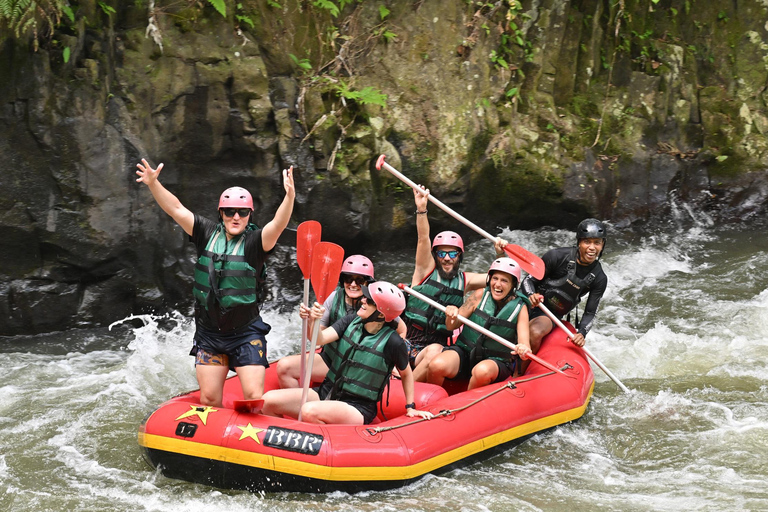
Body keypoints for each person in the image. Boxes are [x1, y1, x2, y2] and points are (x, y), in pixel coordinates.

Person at [135, 158, 295, 407]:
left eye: (242, 212)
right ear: (221, 213)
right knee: (209, 399)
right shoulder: (206, 233)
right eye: (229, 211)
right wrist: (154, 184)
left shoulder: (255, 242)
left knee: (254, 398)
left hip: (245, 333)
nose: (236, 216)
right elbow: (176, 209)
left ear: (249, 214)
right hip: (209, 334)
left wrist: (289, 197)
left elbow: (278, 224)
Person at [261, 281, 433, 424]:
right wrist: (312, 319)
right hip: (326, 392)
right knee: (267, 401)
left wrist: (410, 407)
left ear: (381, 315)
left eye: (369, 301)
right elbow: (319, 339)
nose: (363, 301)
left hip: (357, 407)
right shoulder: (351, 321)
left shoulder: (393, 342)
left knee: (309, 411)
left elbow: (406, 374)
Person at [404, 186, 504, 381]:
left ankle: (410, 394)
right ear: (436, 255)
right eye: (442, 253)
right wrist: (422, 209)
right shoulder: (425, 270)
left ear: (460, 256)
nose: (447, 258)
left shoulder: (465, 281)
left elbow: (499, 279)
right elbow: (423, 239)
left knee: (435, 352)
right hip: (407, 339)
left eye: (452, 253)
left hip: (434, 346)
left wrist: (500, 252)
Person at [275, 255, 407, 388]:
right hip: (332, 360)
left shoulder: (378, 302)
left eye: (359, 280)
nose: (353, 284)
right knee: (284, 367)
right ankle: (298, 406)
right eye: (348, 279)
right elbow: (316, 339)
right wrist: (311, 320)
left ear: (368, 283)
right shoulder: (334, 298)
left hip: (362, 367)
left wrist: (389, 362)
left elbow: (402, 330)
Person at [518, 218, 608, 373]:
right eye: (587, 242)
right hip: (527, 303)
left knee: (535, 331)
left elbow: (590, 312)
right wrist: (531, 295)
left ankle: (519, 373)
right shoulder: (557, 256)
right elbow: (528, 280)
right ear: (579, 242)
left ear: (602, 245)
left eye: (597, 243)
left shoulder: (599, 278)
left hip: (550, 314)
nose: (592, 247)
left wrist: (581, 333)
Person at [426, 258, 531, 389]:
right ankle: (429, 403)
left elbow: (524, 343)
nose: (497, 284)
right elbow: (451, 326)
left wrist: (524, 349)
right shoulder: (479, 295)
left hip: (496, 361)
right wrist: (451, 314)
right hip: (465, 352)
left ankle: (464, 405)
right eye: (495, 278)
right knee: (437, 365)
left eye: (504, 281)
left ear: (513, 285)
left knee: (482, 371)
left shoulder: (520, 308)